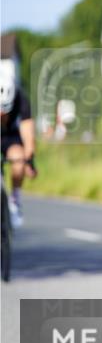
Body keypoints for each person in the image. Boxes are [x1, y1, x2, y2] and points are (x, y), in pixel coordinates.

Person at [0, 67, 36, 228]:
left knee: (18, 159)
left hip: (10, 137)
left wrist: (29, 161)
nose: (3, 116)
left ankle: (15, 198)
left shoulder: (21, 98)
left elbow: (28, 133)